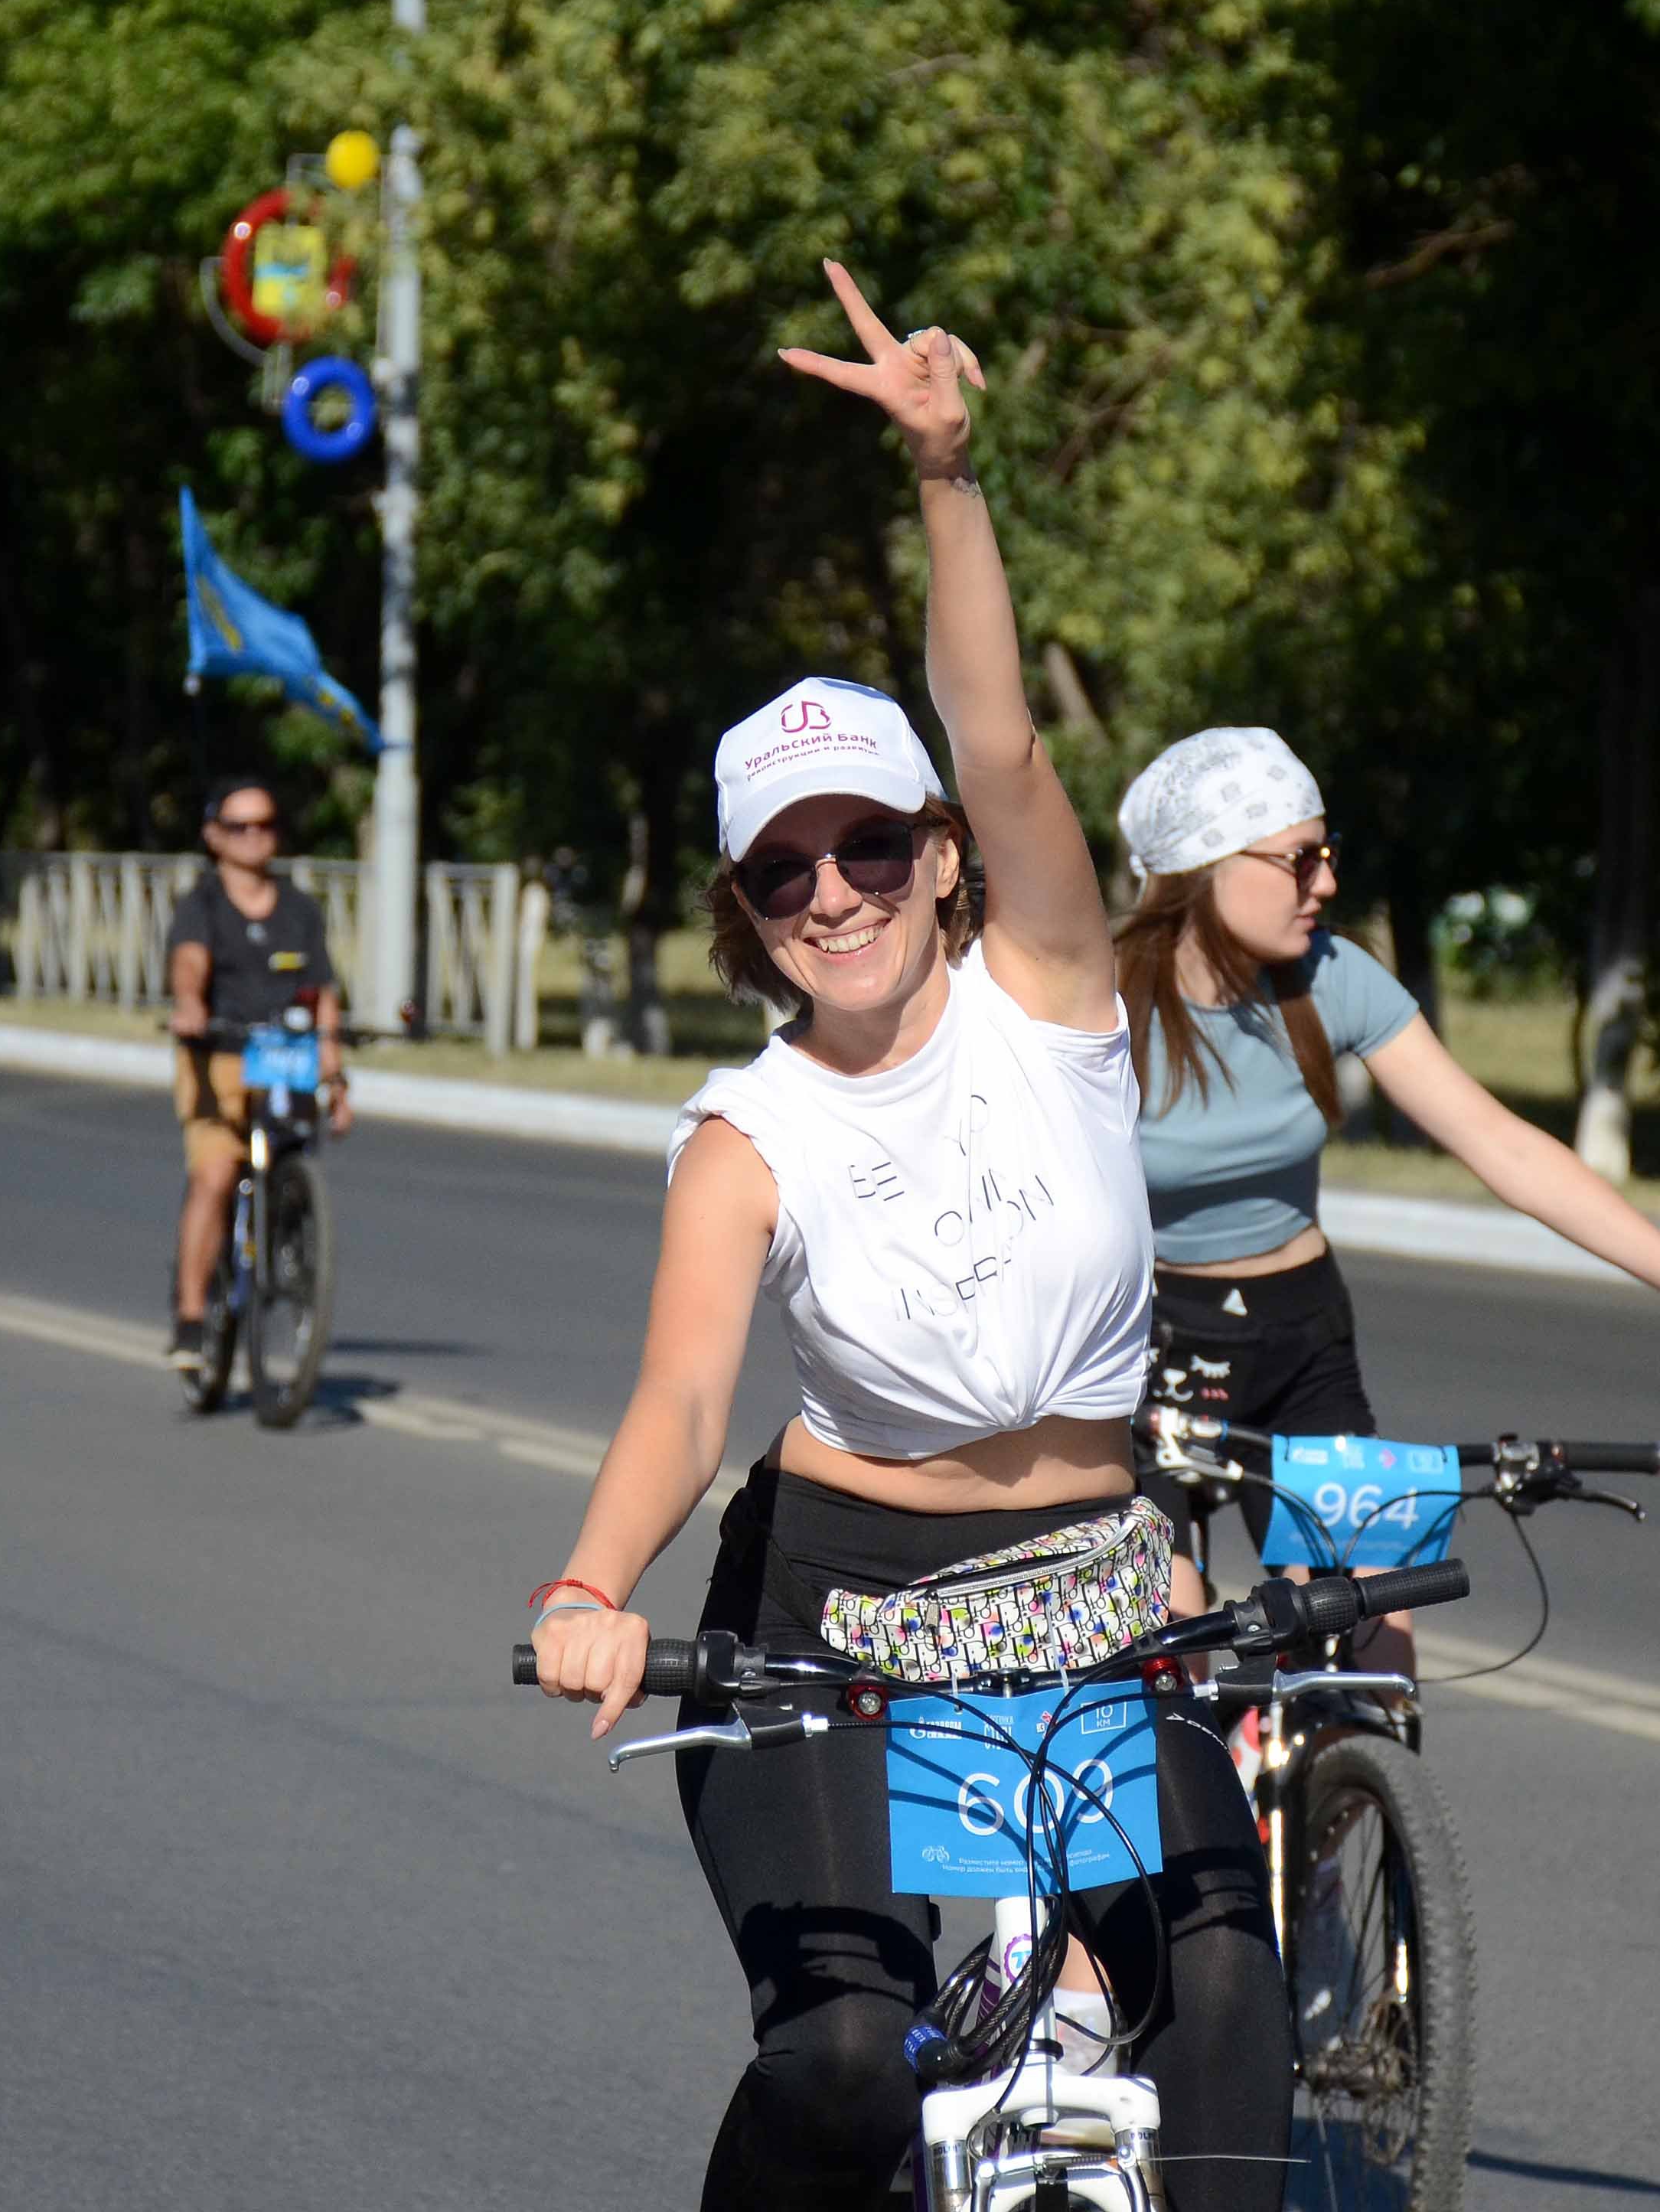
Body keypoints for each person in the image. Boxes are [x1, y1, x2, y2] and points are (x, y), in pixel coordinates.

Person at [526, 264, 1289, 2211]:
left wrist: (949, 474)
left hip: (1098, 1583)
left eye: (872, 842)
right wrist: (596, 1586)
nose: (835, 888)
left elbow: (998, 720)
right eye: (786, 868)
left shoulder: (1050, 987)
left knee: (1220, 1988)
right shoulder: (749, 1134)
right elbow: (687, 1398)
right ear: (745, 909)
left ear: (946, 855)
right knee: (850, 2060)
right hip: (840, 1610)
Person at [1113, 726, 1660, 1672]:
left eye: (1328, 855)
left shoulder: (1329, 979)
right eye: (1299, 859)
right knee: (1170, 1662)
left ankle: (1344, 1799)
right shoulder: (1101, 1012)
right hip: (1149, 1350)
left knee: (1372, 1650)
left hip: (1299, 1337)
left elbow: (1504, 1147)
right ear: (1202, 865)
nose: (1326, 884)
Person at [162, 779, 351, 1373]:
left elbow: (323, 994)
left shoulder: (299, 909)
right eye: (241, 825)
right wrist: (190, 1005)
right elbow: (189, 965)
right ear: (214, 835)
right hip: (221, 1056)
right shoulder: (204, 905)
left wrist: (336, 1074)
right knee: (216, 1175)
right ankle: (192, 1319)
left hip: (287, 1061)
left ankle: (288, 1248)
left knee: (293, 1162)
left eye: (266, 823)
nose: (257, 836)